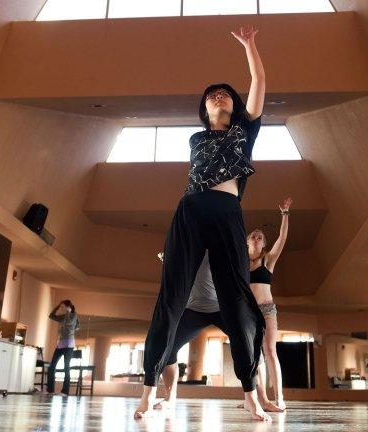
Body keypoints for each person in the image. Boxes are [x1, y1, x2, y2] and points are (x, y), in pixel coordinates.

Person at [135, 24, 268, 421]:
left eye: (224, 92)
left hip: (227, 211)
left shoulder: (245, 129)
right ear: (204, 109)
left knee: (237, 299)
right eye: (211, 95)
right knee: (170, 297)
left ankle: (249, 391)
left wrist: (250, 45)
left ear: (235, 105)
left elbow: (259, 80)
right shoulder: (196, 138)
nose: (218, 95)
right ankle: (146, 390)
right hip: (191, 210)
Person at [153, 252, 283, 413]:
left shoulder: (220, 247)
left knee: (251, 347)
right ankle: (170, 398)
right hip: (194, 309)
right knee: (168, 348)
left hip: (222, 308)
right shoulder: (187, 248)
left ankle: (260, 400)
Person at [245, 197, 292, 410]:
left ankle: (279, 397)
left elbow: (282, 238)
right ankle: (257, 398)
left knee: (270, 351)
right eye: (253, 236)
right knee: (253, 357)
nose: (257, 237)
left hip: (266, 310)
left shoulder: (268, 260)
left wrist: (284, 214)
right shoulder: (240, 263)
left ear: (264, 243)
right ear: (247, 241)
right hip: (247, 312)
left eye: (260, 236)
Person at [46, 300, 80, 394]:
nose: (61, 308)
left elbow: (69, 322)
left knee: (66, 367)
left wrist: (68, 311)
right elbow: (51, 316)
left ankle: (65, 391)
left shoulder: (74, 315)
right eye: (61, 307)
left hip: (69, 345)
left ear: (68, 307)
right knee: (52, 366)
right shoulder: (64, 316)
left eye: (63, 307)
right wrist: (57, 306)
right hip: (61, 344)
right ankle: (50, 390)